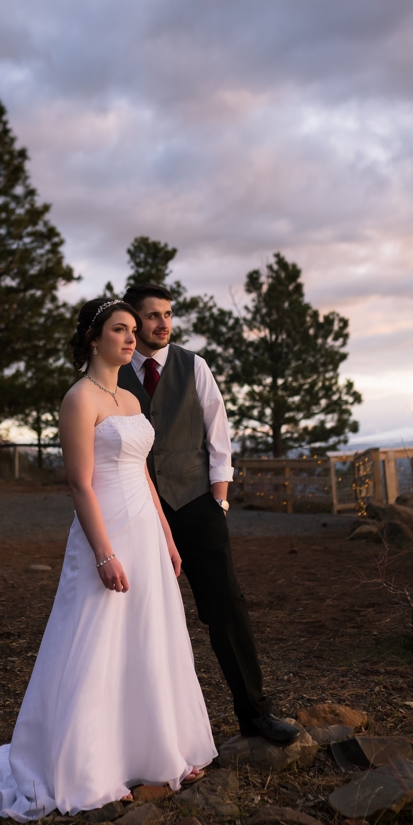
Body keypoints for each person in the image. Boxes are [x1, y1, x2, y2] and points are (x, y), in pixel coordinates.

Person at [0, 299, 217, 820]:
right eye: (120, 329)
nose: (131, 338)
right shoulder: (79, 399)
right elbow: (79, 483)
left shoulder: (132, 402)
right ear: (94, 339)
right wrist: (103, 553)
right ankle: (91, 768)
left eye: (134, 330)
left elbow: (143, 475)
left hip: (144, 531)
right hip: (106, 533)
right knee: (96, 643)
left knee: (150, 637)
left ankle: (160, 753)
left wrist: (167, 537)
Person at [115, 283, 299, 745]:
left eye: (168, 314)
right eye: (152, 316)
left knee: (226, 607)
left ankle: (255, 715)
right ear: (133, 324)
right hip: (136, 510)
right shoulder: (111, 375)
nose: (163, 323)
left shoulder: (193, 366)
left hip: (196, 504)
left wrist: (217, 502)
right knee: (137, 616)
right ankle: (139, 735)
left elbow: (219, 439)